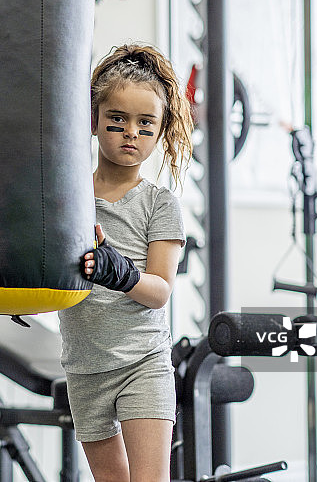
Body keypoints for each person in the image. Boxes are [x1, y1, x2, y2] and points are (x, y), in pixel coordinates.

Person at [58, 44, 193, 482]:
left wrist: (123, 273)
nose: (129, 132)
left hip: (142, 363)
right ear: (95, 121)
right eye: (117, 120)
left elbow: (159, 292)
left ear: (160, 131)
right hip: (84, 368)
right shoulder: (69, 196)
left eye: (144, 123)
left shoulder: (159, 205)